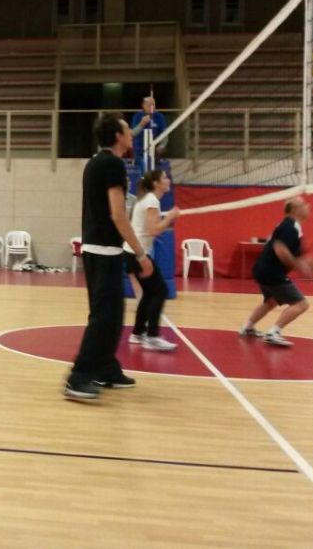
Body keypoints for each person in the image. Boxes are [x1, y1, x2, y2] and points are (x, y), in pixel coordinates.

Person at [64, 114, 152, 402]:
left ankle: (106, 368)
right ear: (117, 136)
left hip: (100, 249)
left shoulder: (95, 163)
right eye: (128, 130)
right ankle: (78, 377)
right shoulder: (113, 164)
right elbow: (117, 214)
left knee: (113, 315)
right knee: (103, 317)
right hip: (103, 250)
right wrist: (140, 253)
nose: (131, 135)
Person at [239, 197, 313, 347]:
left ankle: (247, 327)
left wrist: (306, 264)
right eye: (304, 204)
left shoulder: (290, 226)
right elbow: (281, 250)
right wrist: (299, 266)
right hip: (271, 272)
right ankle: (274, 333)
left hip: (263, 270)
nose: (308, 206)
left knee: (271, 301)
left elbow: (294, 253)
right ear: (294, 209)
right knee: (301, 304)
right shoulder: (290, 227)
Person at [124, 168, 180, 352]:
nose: (168, 180)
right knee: (160, 291)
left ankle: (137, 333)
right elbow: (153, 230)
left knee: (149, 293)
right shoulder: (151, 200)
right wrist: (170, 217)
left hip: (132, 253)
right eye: (164, 177)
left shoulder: (147, 199)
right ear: (156, 183)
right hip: (138, 254)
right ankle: (152, 336)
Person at [130, 96, 168, 169]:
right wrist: (141, 124)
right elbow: (133, 133)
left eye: (153, 105)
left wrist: (162, 145)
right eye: (149, 105)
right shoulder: (137, 116)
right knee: (143, 168)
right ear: (143, 106)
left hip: (154, 152)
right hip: (140, 152)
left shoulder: (160, 117)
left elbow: (165, 134)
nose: (152, 107)